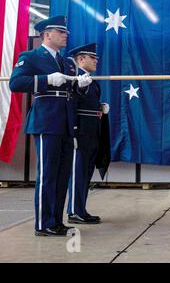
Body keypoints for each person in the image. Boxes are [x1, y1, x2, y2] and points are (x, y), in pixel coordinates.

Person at [9, 16, 92, 236]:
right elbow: (15, 83)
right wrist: (46, 79)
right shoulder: (32, 56)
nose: (66, 35)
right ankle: (43, 224)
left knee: (62, 174)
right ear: (47, 34)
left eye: (65, 32)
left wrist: (81, 86)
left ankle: (55, 221)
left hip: (65, 122)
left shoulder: (66, 63)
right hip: (46, 121)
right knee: (47, 174)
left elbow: (72, 93)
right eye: (61, 32)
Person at [67, 43, 109, 224]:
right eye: (93, 58)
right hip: (80, 131)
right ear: (81, 59)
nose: (96, 61)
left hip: (92, 131)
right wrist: (73, 132)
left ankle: (81, 209)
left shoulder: (93, 82)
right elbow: (71, 107)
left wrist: (100, 108)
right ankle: (74, 211)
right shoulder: (73, 80)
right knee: (78, 172)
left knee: (86, 173)